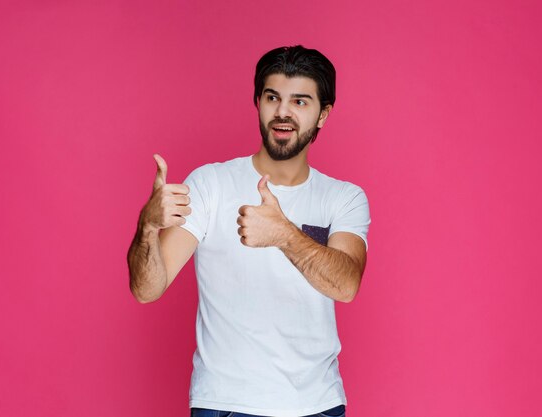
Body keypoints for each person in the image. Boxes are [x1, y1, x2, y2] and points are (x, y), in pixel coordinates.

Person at [127, 45, 370, 417]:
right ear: (258, 102)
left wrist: (284, 235)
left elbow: (346, 284)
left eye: (301, 102)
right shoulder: (211, 184)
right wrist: (147, 226)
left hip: (317, 405)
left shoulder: (343, 198)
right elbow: (147, 289)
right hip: (225, 404)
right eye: (273, 98)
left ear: (323, 114)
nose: (283, 112)